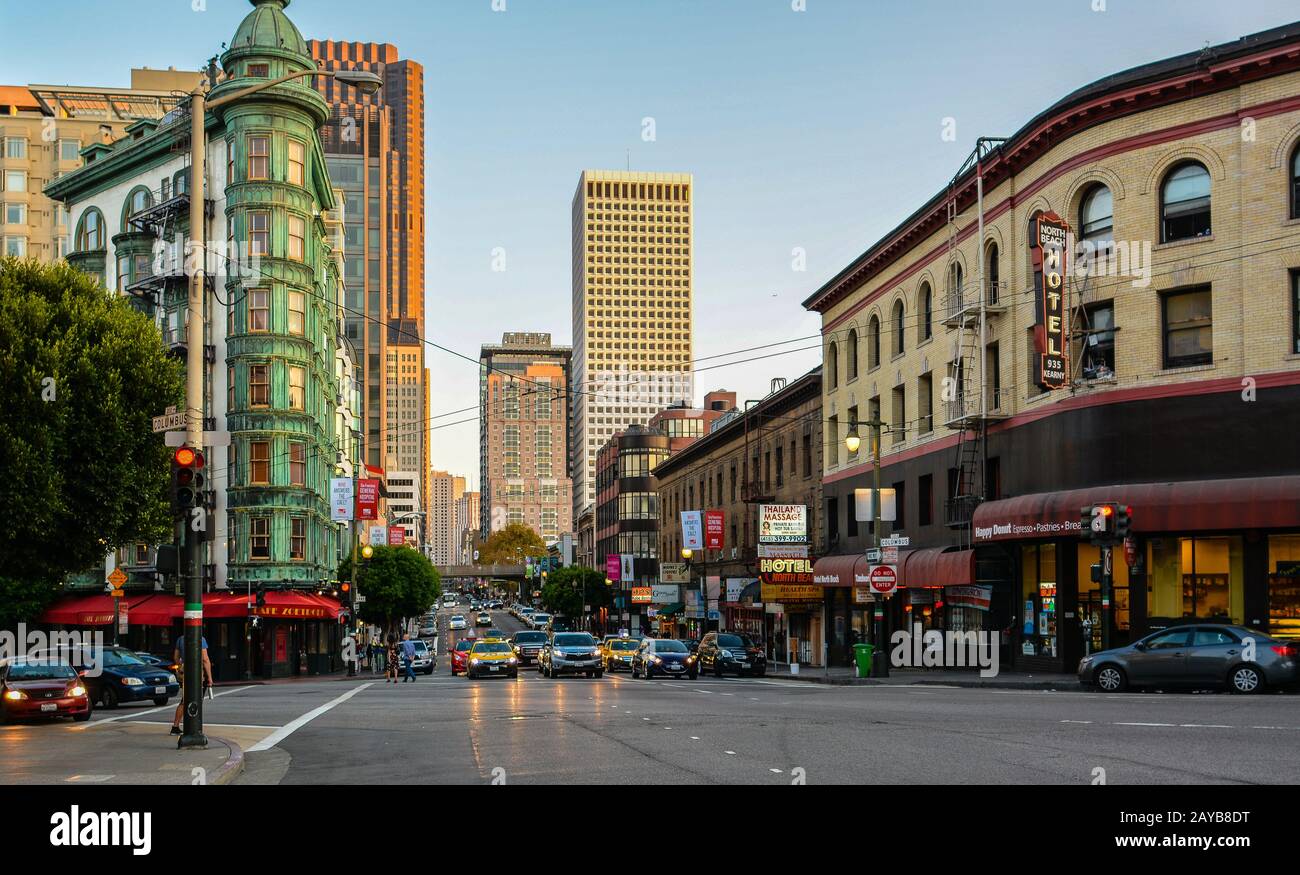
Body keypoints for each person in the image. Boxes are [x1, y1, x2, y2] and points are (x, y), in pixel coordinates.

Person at [170, 633, 213, 736]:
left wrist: (181, 665)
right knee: (196, 699)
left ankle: (176, 726)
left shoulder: (180, 639)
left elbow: (176, 657)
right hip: (197, 673)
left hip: (184, 673)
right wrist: (210, 678)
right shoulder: (201, 639)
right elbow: (205, 659)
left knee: (184, 700)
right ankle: (194, 726)